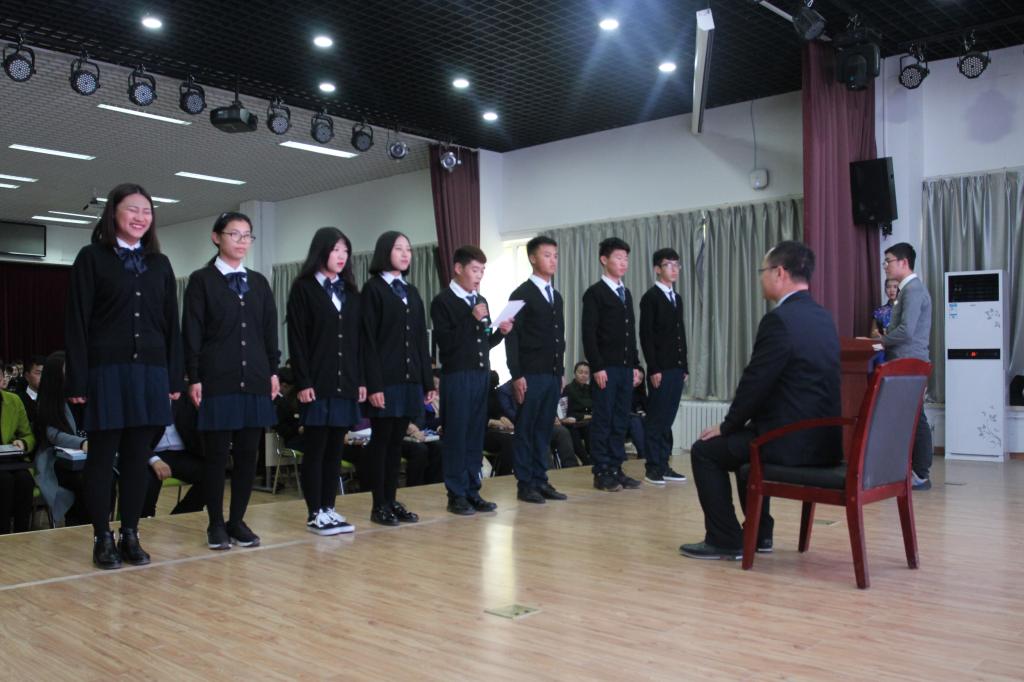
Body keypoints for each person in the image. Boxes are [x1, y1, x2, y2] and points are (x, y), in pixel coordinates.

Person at [680, 240, 842, 560]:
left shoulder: (779, 320)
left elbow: (755, 383)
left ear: (780, 273)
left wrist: (727, 426)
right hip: (824, 441)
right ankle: (760, 534)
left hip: (790, 443)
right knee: (747, 444)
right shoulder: (823, 317)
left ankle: (725, 539)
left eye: (762, 271)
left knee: (705, 451)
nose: (760, 277)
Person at [64, 183, 184, 568]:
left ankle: (130, 533)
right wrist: (77, 378)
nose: (140, 217)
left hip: (151, 373)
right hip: (106, 372)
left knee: (137, 460)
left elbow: (171, 325)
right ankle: (102, 536)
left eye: (146, 211)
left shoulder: (160, 264)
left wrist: (174, 377)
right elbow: (77, 321)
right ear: (113, 213)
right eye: (132, 209)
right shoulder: (91, 258)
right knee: (102, 459)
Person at [183, 211, 279, 550]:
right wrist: (194, 375)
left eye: (247, 235)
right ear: (216, 237)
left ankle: (237, 520)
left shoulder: (259, 283)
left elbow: (269, 331)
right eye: (234, 234)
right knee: (216, 456)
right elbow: (192, 331)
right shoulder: (202, 280)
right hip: (217, 380)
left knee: (249, 455)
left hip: (254, 378)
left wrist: (273, 370)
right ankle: (215, 523)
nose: (241, 241)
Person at [286, 226, 363, 535]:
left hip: (345, 382)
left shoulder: (350, 291)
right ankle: (314, 512)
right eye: (335, 250)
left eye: (345, 251)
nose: (341, 256)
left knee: (335, 450)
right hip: (317, 382)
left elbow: (357, 342)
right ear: (321, 252)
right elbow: (297, 339)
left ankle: (329, 508)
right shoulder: (303, 288)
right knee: (316, 449)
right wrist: (303, 381)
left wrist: (360, 380)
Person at [430, 245, 513, 516]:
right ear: (458, 268)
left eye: (482, 271)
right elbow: (448, 344)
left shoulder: (481, 299)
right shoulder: (443, 301)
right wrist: (471, 318)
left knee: (476, 434)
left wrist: (500, 333)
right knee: (457, 434)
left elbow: (483, 341)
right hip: (457, 376)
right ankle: (456, 494)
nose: (479, 276)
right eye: (475, 270)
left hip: (480, 376)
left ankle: (472, 490)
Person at [361, 231, 435, 526]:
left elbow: (420, 340)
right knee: (381, 443)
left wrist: (427, 380)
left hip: (409, 379)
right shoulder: (373, 289)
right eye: (398, 249)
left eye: (408, 249)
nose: (405, 254)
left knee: (397, 443)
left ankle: (391, 500)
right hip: (385, 380)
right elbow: (367, 341)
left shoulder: (411, 292)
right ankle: (378, 504)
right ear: (384, 252)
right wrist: (373, 384)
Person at [504, 236, 569, 504]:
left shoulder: (556, 296)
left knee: (544, 428)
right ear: (532, 258)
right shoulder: (520, 293)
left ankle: (541, 479)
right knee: (527, 428)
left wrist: (561, 370)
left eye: (555, 255)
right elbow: (511, 336)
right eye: (547, 255)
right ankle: (525, 483)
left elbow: (559, 336)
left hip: (552, 373)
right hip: (530, 374)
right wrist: (516, 374)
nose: (553, 260)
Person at [581, 237, 643, 492]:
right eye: (618, 258)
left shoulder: (625, 293)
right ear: (604, 260)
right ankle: (602, 471)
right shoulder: (595, 293)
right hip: (606, 369)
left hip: (625, 368)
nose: (623, 263)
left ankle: (617, 468)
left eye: (626, 258)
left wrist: (636, 365)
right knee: (603, 420)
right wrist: (597, 366)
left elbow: (630, 334)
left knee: (621, 420)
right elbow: (589, 334)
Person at [879, 242, 934, 490]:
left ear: (903, 262)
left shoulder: (913, 290)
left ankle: (920, 474)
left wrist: (880, 342)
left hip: (909, 362)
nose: (885, 266)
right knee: (910, 417)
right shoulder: (908, 290)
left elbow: (906, 331)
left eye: (888, 260)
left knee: (915, 417)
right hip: (906, 362)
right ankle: (912, 471)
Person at [639, 248, 689, 485]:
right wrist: (654, 368)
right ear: (657, 269)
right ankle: (653, 467)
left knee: (668, 419)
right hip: (661, 369)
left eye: (677, 264)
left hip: (676, 367)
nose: (674, 269)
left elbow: (680, 334)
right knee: (656, 419)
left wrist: (684, 365)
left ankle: (664, 463)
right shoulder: (651, 298)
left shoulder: (676, 298)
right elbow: (646, 336)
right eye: (669, 264)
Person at [32, 351, 85, 527]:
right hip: (57, 459)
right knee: (82, 480)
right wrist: (82, 443)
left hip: (86, 455)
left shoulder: (82, 396)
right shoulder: (48, 402)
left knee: (106, 477)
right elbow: (54, 435)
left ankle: (97, 524)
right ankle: (78, 525)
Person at [142, 397, 205, 517]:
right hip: (150, 454)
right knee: (147, 481)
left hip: (182, 453)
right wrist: (153, 460)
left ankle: (181, 516)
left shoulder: (186, 397)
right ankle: (146, 520)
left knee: (212, 474)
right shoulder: (144, 396)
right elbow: (132, 438)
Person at [1, 388, 35, 533]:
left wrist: (23, 442)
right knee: (5, 481)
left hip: (10, 458)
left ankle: (22, 534)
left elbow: (28, 435)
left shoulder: (14, 400)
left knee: (25, 479)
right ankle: (3, 535)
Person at [562, 361, 593, 464]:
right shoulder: (568, 389)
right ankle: (586, 461)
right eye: (580, 372)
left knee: (592, 428)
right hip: (573, 421)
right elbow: (566, 412)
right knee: (572, 432)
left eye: (586, 373)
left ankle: (593, 458)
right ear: (575, 373)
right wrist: (584, 416)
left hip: (588, 422)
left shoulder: (590, 389)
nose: (583, 375)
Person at [14, 355, 44, 430]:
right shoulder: (18, 400)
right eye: (38, 373)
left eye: (46, 373)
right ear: (27, 376)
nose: (43, 377)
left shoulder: (52, 399)